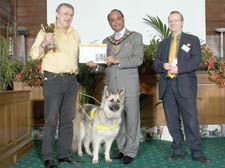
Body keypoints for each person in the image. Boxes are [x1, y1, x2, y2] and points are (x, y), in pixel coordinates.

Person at [87, 9, 144, 164]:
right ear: (109, 23)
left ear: (123, 19)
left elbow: (138, 59)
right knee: (118, 120)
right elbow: (102, 65)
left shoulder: (136, 37)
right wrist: (93, 65)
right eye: (112, 20)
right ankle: (122, 149)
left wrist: (118, 60)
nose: (116, 22)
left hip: (129, 87)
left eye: (118, 18)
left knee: (132, 120)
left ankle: (131, 152)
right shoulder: (106, 41)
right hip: (112, 88)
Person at [154, 11, 211, 163]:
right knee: (172, 122)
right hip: (167, 87)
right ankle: (178, 151)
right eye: (171, 21)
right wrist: (163, 65)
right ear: (168, 24)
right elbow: (156, 63)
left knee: (191, 121)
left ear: (182, 22)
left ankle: (197, 153)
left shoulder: (192, 40)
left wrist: (179, 69)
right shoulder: (163, 43)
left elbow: (196, 60)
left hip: (185, 85)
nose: (173, 23)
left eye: (176, 20)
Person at [30, 3, 83, 168]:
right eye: (65, 13)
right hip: (52, 79)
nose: (68, 17)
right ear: (57, 14)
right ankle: (48, 157)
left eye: (71, 14)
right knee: (51, 119)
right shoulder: (46, 31)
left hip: (71, 80)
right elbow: (33, 55)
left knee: (68, 119)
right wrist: (44, 43)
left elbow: (78, 58)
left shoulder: (76, 34)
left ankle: (64, 156)